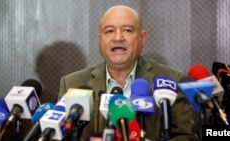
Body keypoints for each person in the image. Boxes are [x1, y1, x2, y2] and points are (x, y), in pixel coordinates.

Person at [58, 5, 199, 141]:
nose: (118, 38)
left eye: (127, 30)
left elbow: (187, 137)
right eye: (109, 31)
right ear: (99, 40)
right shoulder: (73, 84)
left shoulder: (172, 81)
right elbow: (60, 137)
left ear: (142, 38)